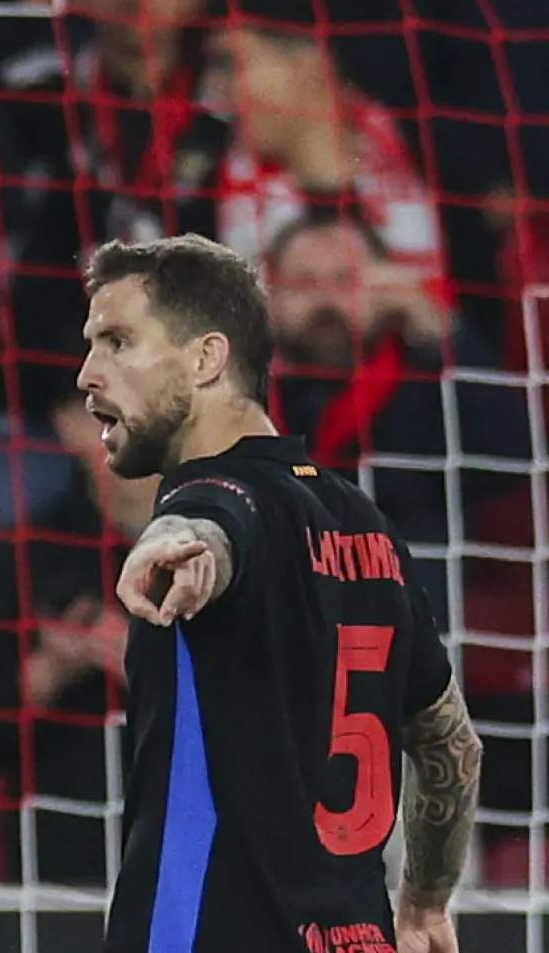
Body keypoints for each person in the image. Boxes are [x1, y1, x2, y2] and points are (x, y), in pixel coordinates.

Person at [74, 233, 482, 953]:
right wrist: (423, 904)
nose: (87, 374)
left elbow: (215, 527)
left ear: (206, 359)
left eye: (117, 342)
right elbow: (452, 744)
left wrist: (179, 547)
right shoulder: (367, 526)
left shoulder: (213, 499)